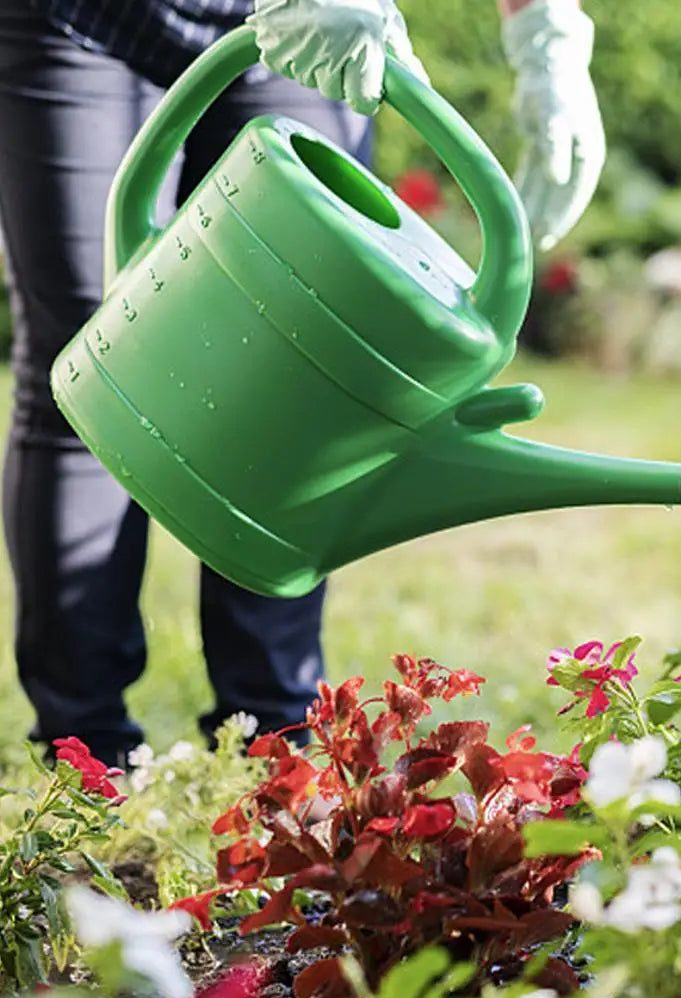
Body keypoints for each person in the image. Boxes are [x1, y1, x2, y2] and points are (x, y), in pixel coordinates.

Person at [0, 0, 605, 768]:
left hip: (322, 22)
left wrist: (544, 31)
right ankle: (85, 754)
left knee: (308, 374)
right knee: (94, 358)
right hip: (85, 21)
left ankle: (275, 745)